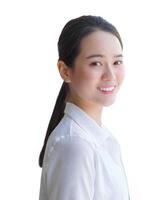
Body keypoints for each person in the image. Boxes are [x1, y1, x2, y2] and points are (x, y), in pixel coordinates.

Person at [38, 15, 130, 200]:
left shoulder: (100, 139)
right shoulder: (75, 144)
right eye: (96, 63)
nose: (110, 75)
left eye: (116, 62)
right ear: (65, 70)